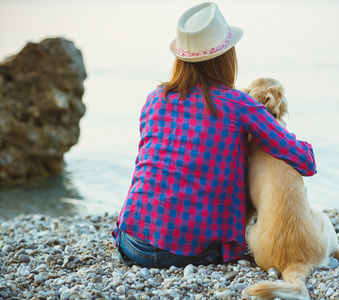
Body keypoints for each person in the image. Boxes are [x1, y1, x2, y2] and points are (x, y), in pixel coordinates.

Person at [112, 2, 317, 268]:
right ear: (226, 57)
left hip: (132, 244)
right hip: (190, 254)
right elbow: (306, 161)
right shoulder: (237, 103)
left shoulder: (154, 99)